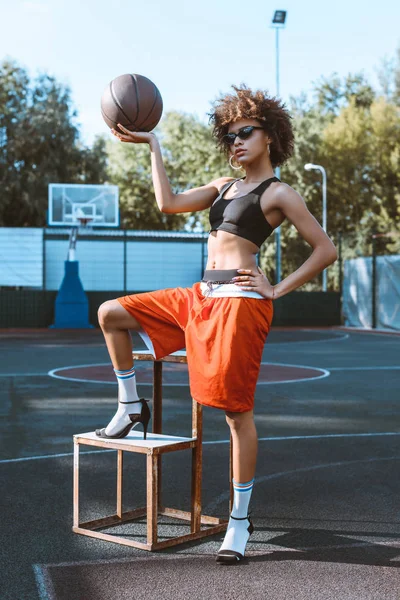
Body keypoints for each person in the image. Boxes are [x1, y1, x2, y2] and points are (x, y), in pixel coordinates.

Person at [95, 83, 338, 564]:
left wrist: (276, 288)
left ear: (269, 136)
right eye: (229, 136)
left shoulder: (279, 192)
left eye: (245, 132)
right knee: (110, 313)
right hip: (200, 295)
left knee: (234, 413)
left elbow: (326, 250)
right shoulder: (223, 187)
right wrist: (154, 145)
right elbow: (167, 204)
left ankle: (240, 522)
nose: (236, 142)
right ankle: (130, 406)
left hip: (241, 304)